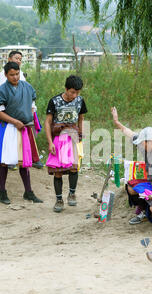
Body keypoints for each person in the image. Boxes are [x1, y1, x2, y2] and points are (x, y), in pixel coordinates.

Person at [0, 61, 43, 205]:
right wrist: (15, 121)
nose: (15, 77)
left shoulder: (27, 87)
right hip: (8, 129)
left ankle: (28, 192)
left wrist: (28, 118)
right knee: (5, 162)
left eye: (17, 74)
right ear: (6, 75)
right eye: (12, 75)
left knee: (24, 162)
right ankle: (2, 191)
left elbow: (32, 106)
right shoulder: (1, 91)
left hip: (24, 128)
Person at [45, 75, 86, 213]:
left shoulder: (80, 101)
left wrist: (81, 135)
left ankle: (72, 193)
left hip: (73, 137)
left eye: (78, 92)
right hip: (58, 138)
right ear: (66, 89)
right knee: (58, 171)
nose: (75, 95)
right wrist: (50, 142)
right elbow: (48, 122)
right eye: (72, 92)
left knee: (74, 168)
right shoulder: (55, 101)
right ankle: (59, 199)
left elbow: (81, 119)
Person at [0, 50, 44, 170]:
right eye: (16, 58)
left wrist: (31, 107)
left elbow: (27, 91)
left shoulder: (21, 73)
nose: (18, 61)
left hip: (26, 108)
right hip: (12, 111)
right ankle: (12, 160)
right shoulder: (3, 75)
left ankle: (31, 157)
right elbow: (7, 94)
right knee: (12, 136)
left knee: (28, 134)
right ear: (9, 59)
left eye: (20, 59)